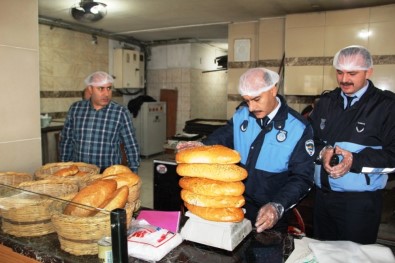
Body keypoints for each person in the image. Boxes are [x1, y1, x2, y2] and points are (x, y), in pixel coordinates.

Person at [178, 68, 315, 235]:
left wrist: (278, 205)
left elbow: (302, 178)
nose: (251, 107)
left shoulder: (298, 128)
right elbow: (224, 135)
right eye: (247, 100)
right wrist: (202, 146)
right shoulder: (243, 114)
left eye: (256, 99)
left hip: (269, 213)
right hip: (235, 205)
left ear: (273, 90)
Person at [310, 45, 395, 244]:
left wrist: (354, 160)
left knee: (355, 256)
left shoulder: (386, 106)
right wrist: (322, 152)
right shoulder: (326, 102)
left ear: (369, 72)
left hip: (359, 204)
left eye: (352, 73)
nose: (344, 79)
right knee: (323, 253)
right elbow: (306, 143)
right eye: (339, 72)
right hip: (322, 198)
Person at [59, 71, 140, 173]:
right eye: (101, 88)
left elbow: (131, 145)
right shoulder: (76, 109)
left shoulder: (120, 112)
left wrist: (134, 171)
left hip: (108, 174)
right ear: (90, 89)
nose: (106, 94)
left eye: (109, 88)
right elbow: (67, 140)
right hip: (80, 173)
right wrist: (65, 166)